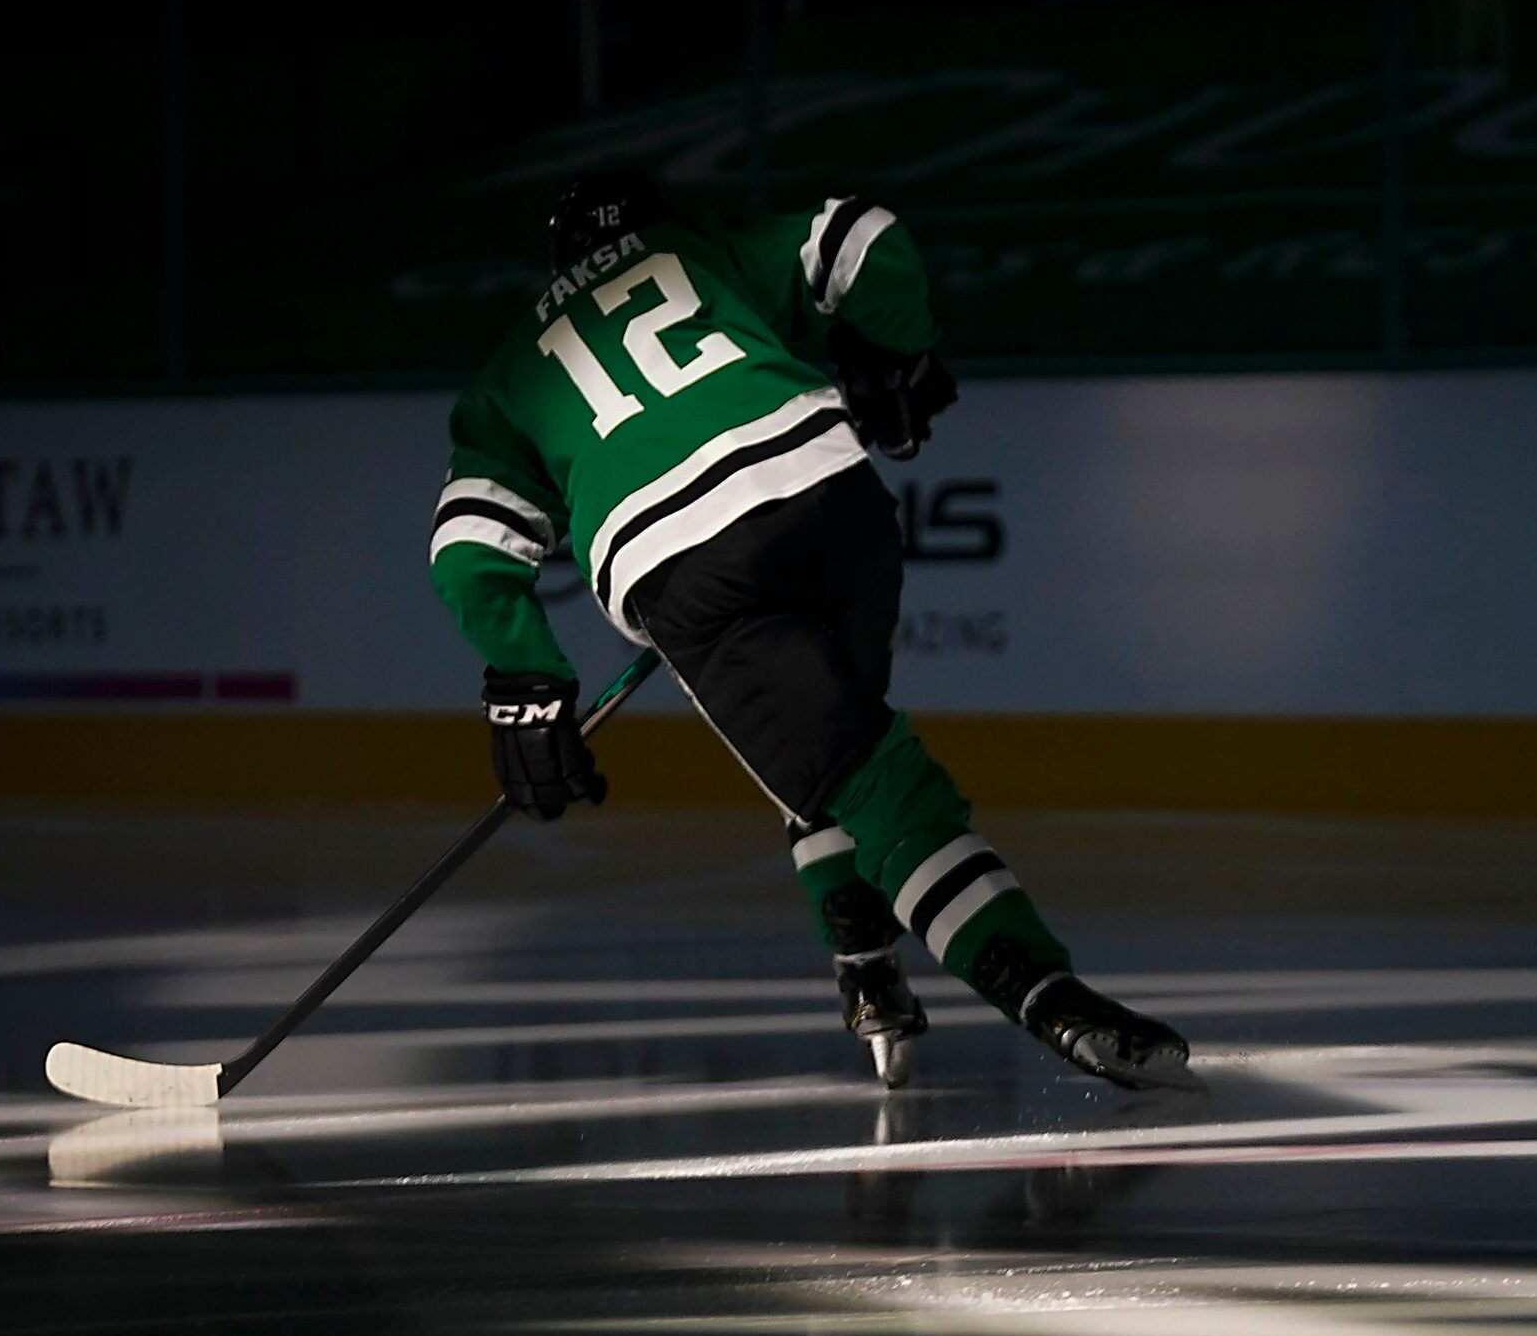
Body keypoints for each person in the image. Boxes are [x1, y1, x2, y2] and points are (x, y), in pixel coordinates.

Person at [426, 173, 1190, 1088]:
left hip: (687, 569)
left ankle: (1040, 991)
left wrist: (526, 677)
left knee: (862, 778)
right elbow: (861, 237)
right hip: (830, 497)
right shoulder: (703, 249)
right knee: (839, 749)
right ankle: (866, 964)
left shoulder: (512, 369)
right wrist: (895, 356)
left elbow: (467, 548)